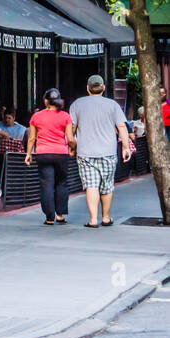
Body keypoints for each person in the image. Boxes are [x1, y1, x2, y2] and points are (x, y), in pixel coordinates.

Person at [69, 74, 133, 228]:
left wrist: (72, 147)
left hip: (85, 152)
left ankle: (92, 220)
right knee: (107, 186)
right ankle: (105, 217)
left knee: (91, 185)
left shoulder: (77, 104)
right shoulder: (112, 105)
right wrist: (126, 147)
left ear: (88, 88)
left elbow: (71, 129)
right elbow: (122, 127)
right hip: (108, 152)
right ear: (103, 88)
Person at [25, 89, 75, 226]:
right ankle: (60, 215)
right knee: (61, 183)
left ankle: (49, 217)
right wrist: (73, 148)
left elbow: (31, 138)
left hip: (42, 153)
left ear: (45, 101)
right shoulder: (65, 116)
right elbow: (70, 139)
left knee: (46, 184)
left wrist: (28, 154)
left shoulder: (36, 116)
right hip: (61, 153)